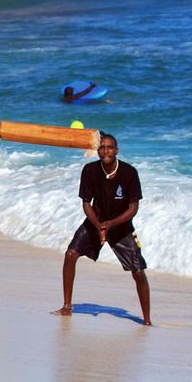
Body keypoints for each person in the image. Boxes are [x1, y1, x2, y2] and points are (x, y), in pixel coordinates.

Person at [53, 134, 151, 325]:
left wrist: (110, 225)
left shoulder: (129, 173)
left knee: (138, 271)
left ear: (117, 150)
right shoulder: (89, 170)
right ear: (98, 150)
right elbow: (86, 203)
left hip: (121, 227)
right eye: (102, 147)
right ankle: (66, 306)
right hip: (95, 221)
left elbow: (133, 208)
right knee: (71, 254)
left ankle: (147, 320)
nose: (106, 151)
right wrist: (99, 226)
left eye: (110, 147)